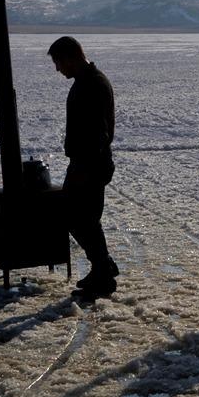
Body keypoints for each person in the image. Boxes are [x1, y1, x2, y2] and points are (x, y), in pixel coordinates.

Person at [48, 36, 119, 295]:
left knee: (82, 219)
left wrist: (84, 168)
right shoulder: (85, 82)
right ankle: (103, 267)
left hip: (90, 165)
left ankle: (103, 274)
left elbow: (99, 134)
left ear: (71, 57)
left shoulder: (94, 84)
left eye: (58, 62)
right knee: (82, 219)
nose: (58, 69)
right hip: (85, 163)